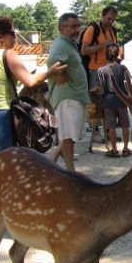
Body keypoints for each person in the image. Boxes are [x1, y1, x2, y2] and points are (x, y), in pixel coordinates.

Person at [0, 16, 65, 167]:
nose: (15, 36)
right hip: (3, 116)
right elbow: (30, 81)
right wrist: (51, 72)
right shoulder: (7, 54)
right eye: (12, 32)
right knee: (9, 165)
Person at [47, 13, 90, 171]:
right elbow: (52, 61)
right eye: (73, 26)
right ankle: (71, 173)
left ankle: (50, 164)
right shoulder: (61, 44)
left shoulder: (68, 43)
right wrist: (62, 75)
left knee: (69, 135)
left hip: (72, 96)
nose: (77, 29)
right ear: (62, 27)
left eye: (78, 26)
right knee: (68, 137)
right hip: (67, 97)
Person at [96, 42, 132, 158]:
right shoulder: (123, 68)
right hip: (122, 99)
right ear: (117, 54)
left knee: (111, 126)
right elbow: (129, 83)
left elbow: (100, 87)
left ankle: (114, 149)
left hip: (108, 100)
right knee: (125, 124)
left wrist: (93, 91)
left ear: (105, 55)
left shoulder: (102, 70)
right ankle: (126, 148)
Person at [80, 6, 120, 89]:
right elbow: (83, 51)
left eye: (113, 19)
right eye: (109, 18)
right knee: (97, 99)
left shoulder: (112, 30)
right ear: (102, 16)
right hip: (96, 71)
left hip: (110, 69)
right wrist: (103, 45)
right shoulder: (93, 29)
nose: (111, 21)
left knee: (109, 98)